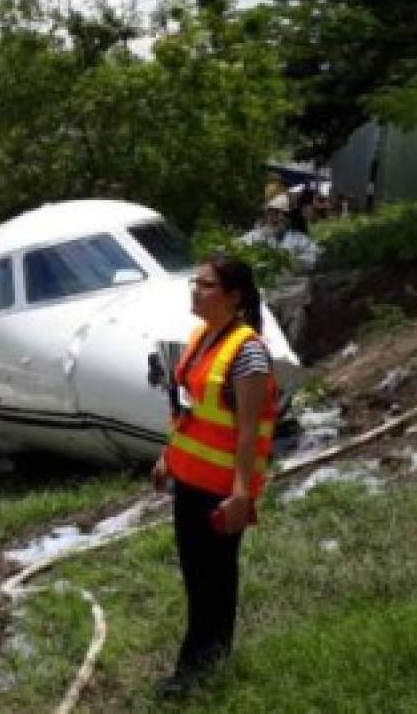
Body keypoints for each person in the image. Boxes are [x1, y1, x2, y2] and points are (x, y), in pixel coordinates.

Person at [152, 253, 278, 698]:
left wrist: (242, 494)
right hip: (190, 480)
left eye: (206, 285)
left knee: (214, 581)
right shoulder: (200, 338)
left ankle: (198, 673)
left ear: (234, 297)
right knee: (197, 577)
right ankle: (203, 663)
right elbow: (188, 409)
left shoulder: (248, 354)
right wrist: (167, 455)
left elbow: (248, 431)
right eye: (196, 282)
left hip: (221, 489)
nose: (195, 290)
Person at [241, 193, 319, 271]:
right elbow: (237, 251)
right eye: (275, 212)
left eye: (284, 214)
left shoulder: (298, 238)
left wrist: (292, 262)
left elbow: (314, 255)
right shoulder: (253, 237)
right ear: (267, 214)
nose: (280, 217)